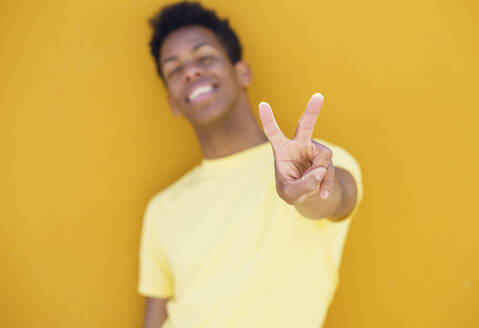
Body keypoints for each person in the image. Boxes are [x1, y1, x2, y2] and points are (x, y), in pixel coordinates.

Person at [138, 2, 363, 327]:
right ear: (172, 101)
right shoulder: (161, 209)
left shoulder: (319, 164)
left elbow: (333, 199)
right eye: (174, 70)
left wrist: (305, 191)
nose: (190, 72)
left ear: (241, 72)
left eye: (204, 57)